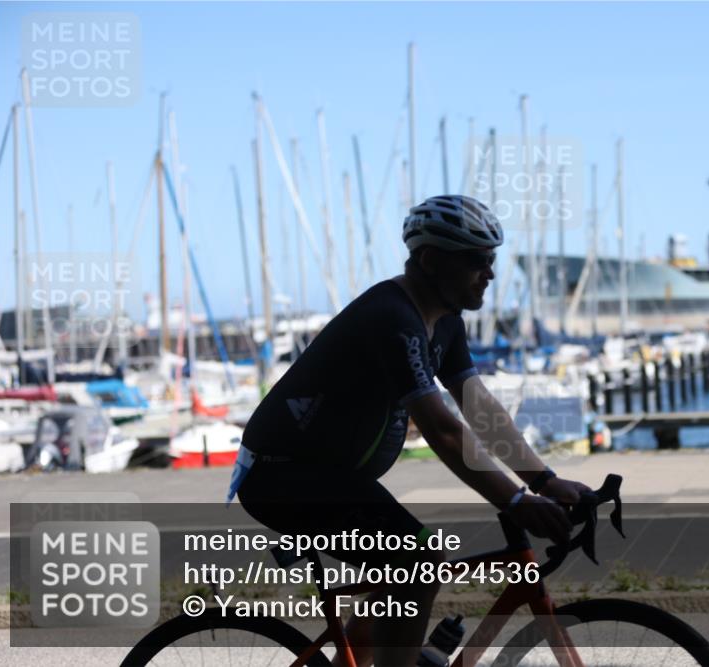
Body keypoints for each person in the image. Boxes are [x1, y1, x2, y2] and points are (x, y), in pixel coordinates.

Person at [235, 194, 590, 666]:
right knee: (419, 563)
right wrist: (516, 501)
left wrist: (543, 480)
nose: (490, 273)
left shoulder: (445, 323)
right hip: (282, 477)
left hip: (333, 479)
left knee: (406, 568)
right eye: (477, 260)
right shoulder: (392, 317)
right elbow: (443, 430)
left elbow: (479, 410)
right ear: (430, 260)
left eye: (492, 260)